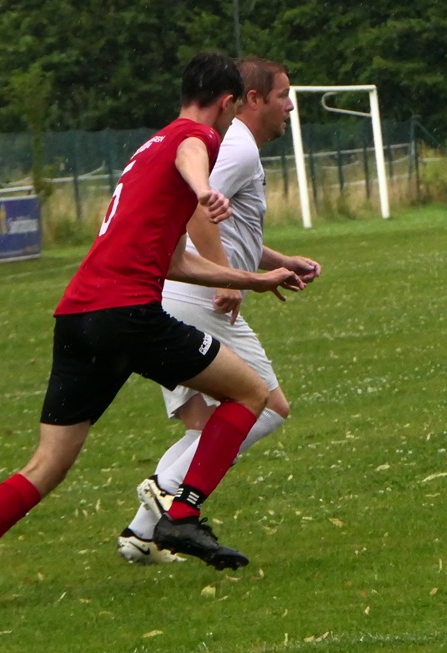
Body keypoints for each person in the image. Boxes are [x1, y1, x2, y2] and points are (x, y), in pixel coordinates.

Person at [0, 51, 307, 608]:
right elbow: (193, 153)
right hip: (129, 316)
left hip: (77, 316)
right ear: (226, 102)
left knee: (48, 463)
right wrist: (203, 189)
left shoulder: (146, 150)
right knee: (252, 393)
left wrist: (255, 278)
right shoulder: (196, 138)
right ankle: (181, 514)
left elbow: (174, 260)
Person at [117, 57, 321, 565]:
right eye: (283, 95)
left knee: (208, 425)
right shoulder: (239, 147)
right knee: (267, 406)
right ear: (252, 99)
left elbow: (226, 225)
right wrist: (229, 276)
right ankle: (167, 491)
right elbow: (194, 209)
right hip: (196, 298)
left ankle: (141, 536)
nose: (290, 106)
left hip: (178, 294)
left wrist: (273, 262)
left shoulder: (236, 145)